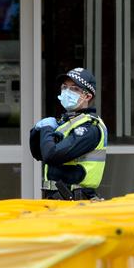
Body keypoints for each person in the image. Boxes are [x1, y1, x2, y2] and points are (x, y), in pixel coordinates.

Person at [30, 67, 108, 200]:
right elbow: (39, 153)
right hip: (59, 199)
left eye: (74, 89)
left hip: (77, 200)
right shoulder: (66, 123)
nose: (67, 91)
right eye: (64, 87)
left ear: (87, 96)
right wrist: (36, 132)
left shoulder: (90, 127)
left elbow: (51, 155)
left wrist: (47, 129)